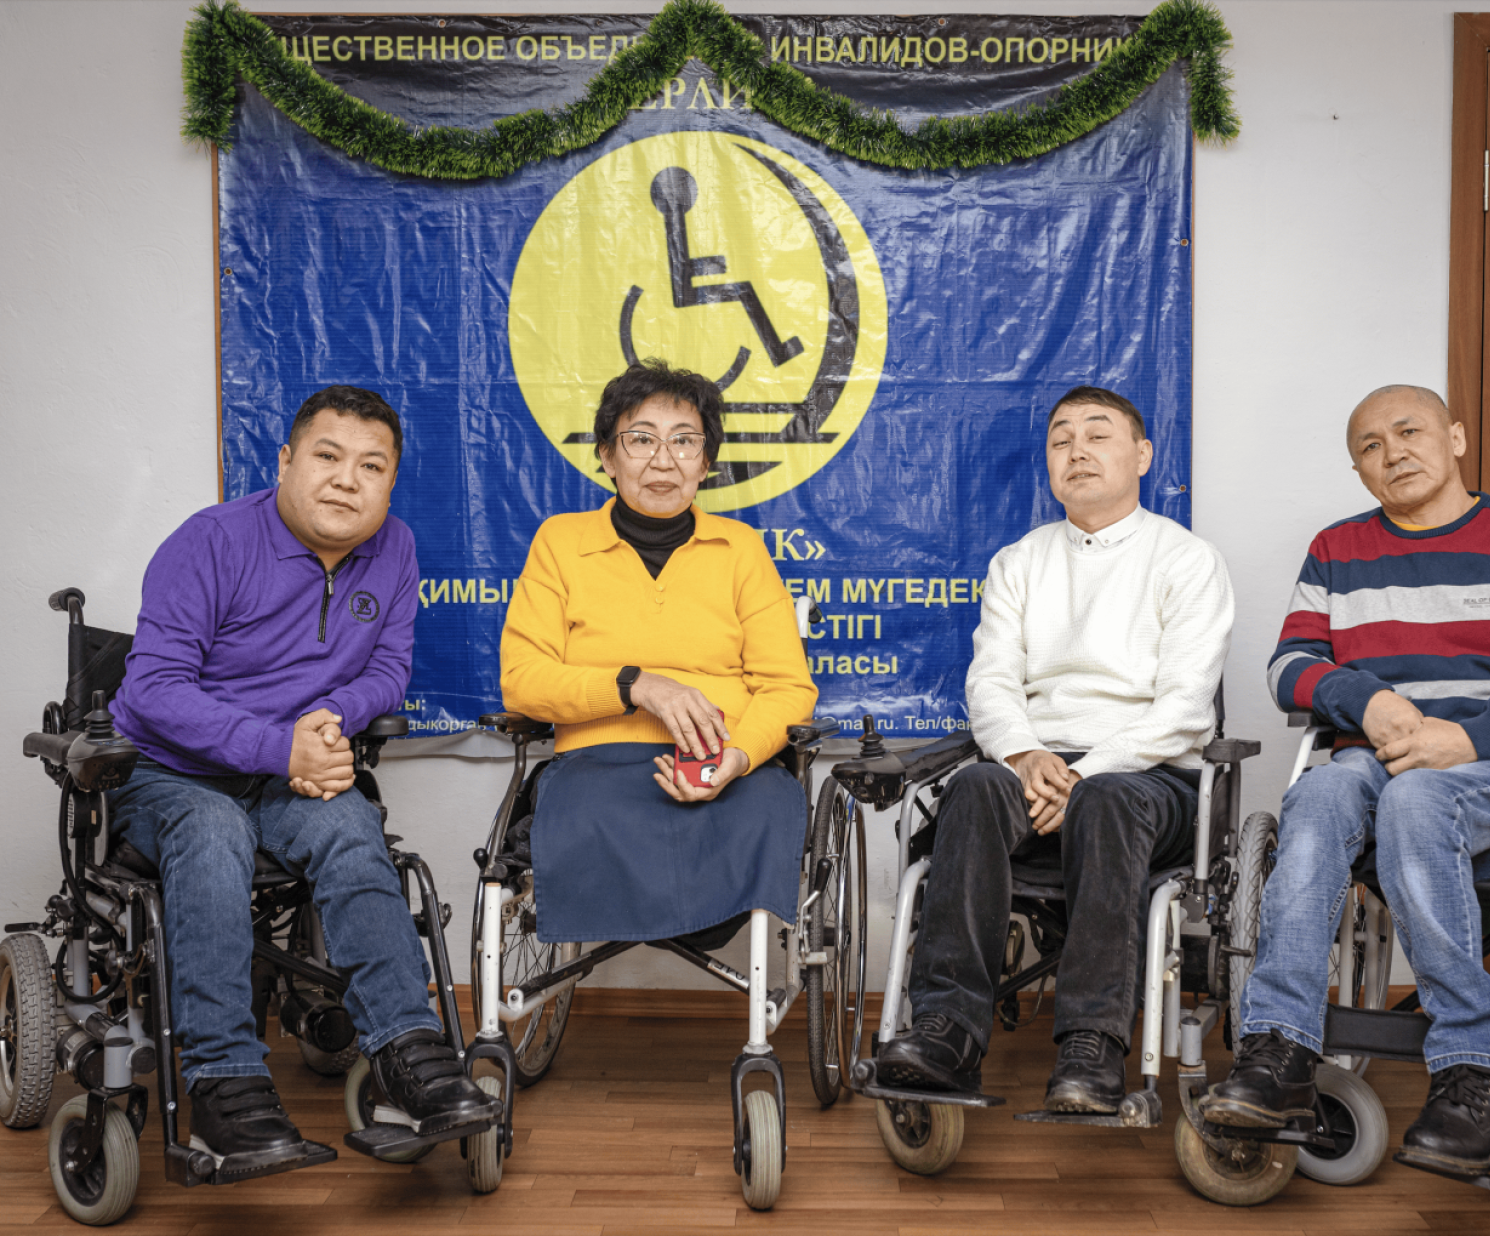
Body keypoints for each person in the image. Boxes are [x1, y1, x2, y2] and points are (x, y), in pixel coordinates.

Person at [1202, 385, 1490, 1179]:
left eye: (1408, 431)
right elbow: (1291, 666)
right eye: (1368, 445)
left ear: (1457, 437)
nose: (1391, 452)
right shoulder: (1338, 549)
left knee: (1417, 794)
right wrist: (1370, 698)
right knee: (1322, 792)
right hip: (1380, 756)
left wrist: (1468, 738)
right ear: (1359, 468)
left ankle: (1475, 1060)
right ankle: (1280, 1050)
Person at [108, 385, 499, 1174]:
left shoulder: (395, 550)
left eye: (371, 466)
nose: (346, 480)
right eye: (327, 456)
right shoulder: (210, 542)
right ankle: (223, 1083)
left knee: (355, 828)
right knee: (214, 830)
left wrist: (332, 711)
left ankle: (405, 1051)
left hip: (295, 774)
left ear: (390, 484)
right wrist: (277, 748)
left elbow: (389, 668)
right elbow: (153, 689)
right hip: (172, 776)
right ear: (286, 460)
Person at [874, 386, 1234, 1113]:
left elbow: (1185, 710)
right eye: (1061, 439)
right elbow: (992, 682)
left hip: (1146, 776)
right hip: (1037, 763)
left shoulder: (1187, 560)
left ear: (1142, 455)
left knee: (1104, 797)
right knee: (973, 788)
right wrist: (1021, 757)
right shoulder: (1021, 561)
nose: (1077, 450)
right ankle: (947, 1031)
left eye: (1097, 435)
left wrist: (1080, 773)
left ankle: (1091, 1045)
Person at [500, 360, 818, 950]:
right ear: (607, 455)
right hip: (597, 762)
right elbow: (523, 680)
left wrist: (741, 758)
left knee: (769, 800)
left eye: (684, 441)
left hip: (724, 764)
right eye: (640, 439)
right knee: (577, 806)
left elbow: (788, 687)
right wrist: (635, 686)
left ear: (707, 463)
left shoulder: (741, 549)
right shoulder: (560, 543)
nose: (663, 460)